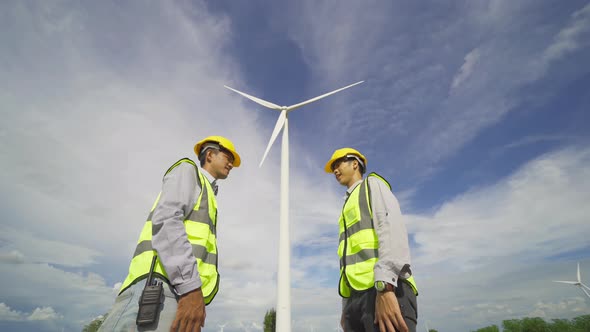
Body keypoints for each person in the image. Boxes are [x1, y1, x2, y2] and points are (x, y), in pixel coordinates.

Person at [98, 136, 241, 332]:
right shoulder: (188, 171)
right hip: (160, 288)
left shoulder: (208, 192)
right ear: (209, 154)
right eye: (228, 156)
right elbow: (166, 220)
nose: (232, 164)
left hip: (178, 292)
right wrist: (190, 287)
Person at [325, 148, 418, 332]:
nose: (335, 170)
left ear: (355, 163)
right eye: (333, 167)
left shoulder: (372, 185)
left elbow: (390, 229)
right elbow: (348, 262)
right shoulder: (345, 206)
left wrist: (385, 287)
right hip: (356, 301)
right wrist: (347, 307)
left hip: (384, 290)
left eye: (339, 164)